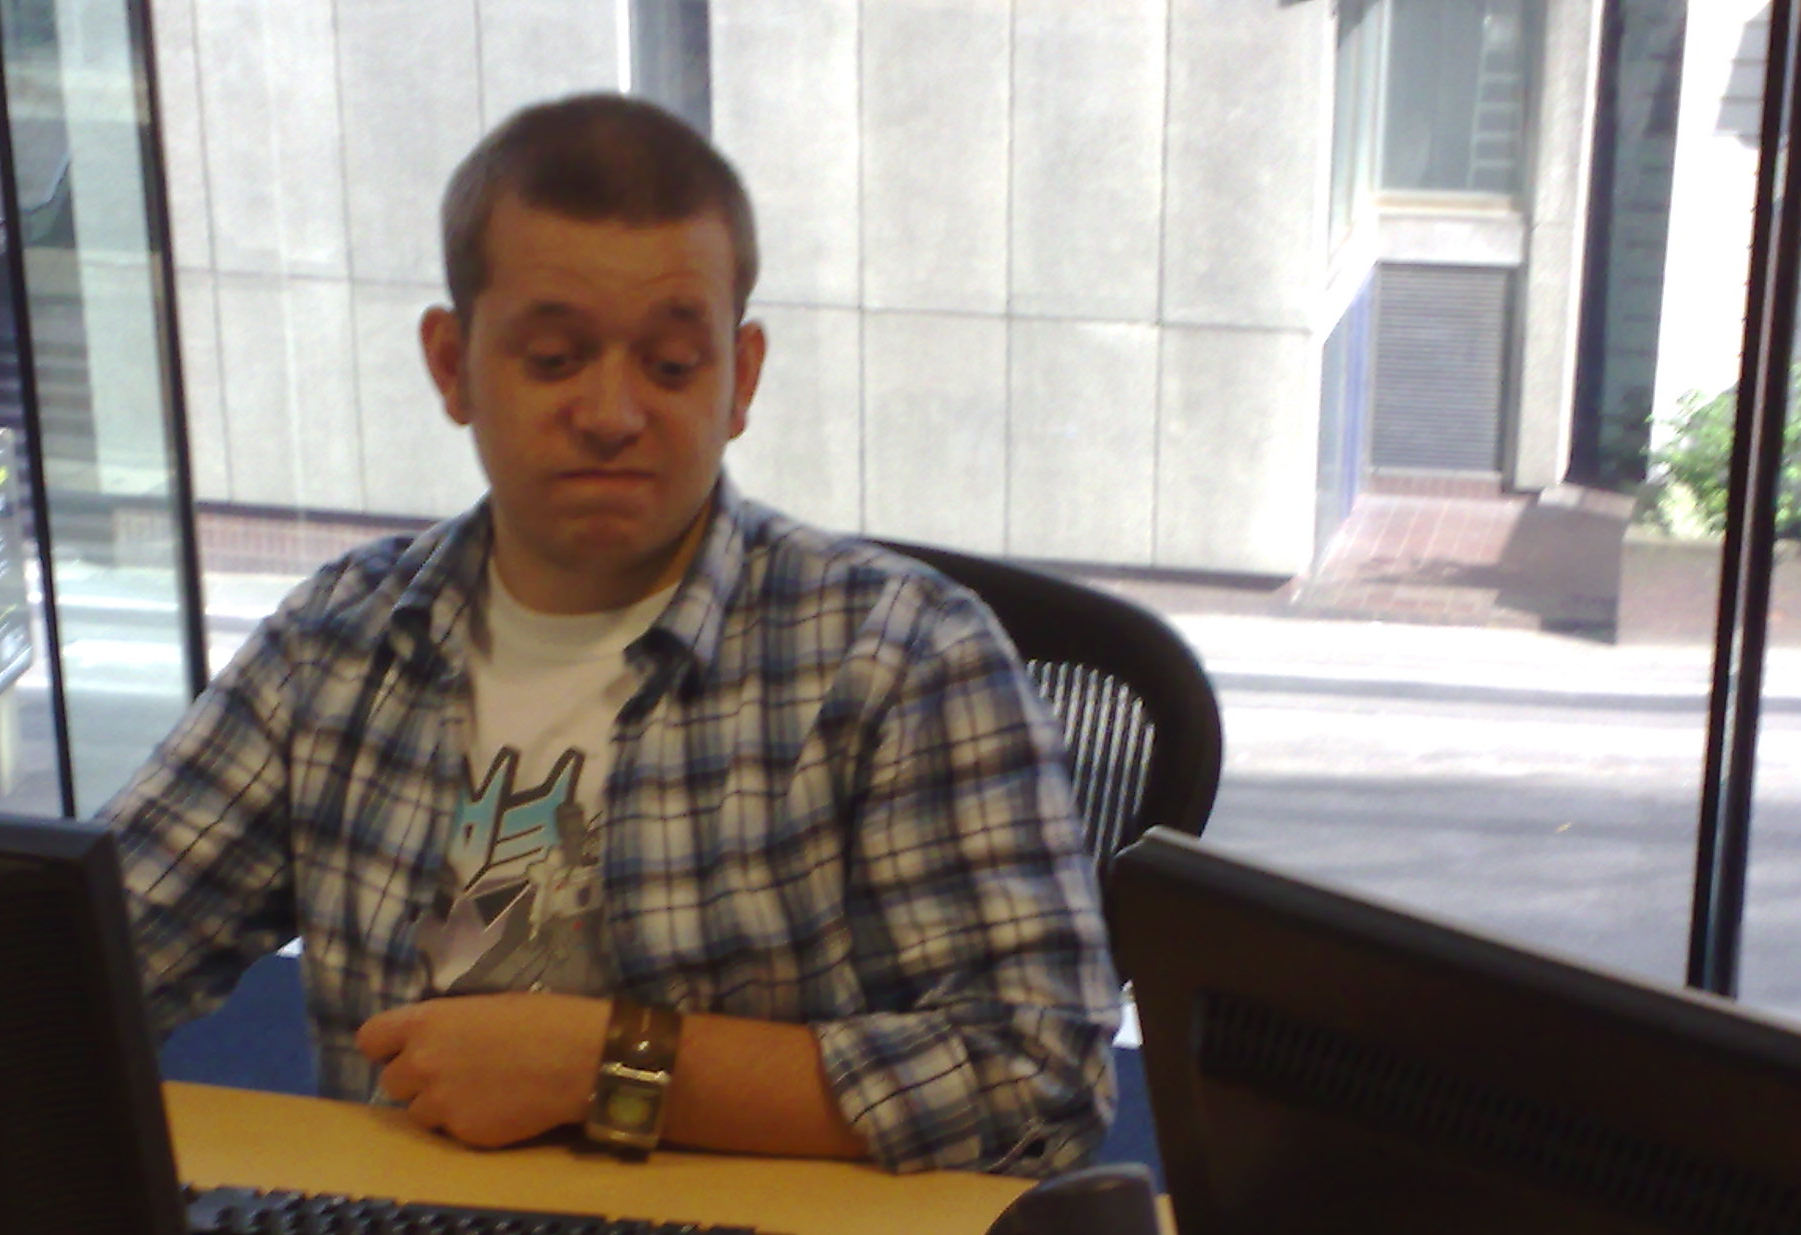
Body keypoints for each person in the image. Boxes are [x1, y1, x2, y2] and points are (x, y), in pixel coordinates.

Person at [104, 92, 1119, 1175]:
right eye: (553, 358)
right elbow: (74, 961)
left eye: (672, 367)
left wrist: (612, 1070)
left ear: (741, 379)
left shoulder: (901, 657)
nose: (612, 415)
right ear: (452, 365)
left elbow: (1039, 1081)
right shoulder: (335, 647)